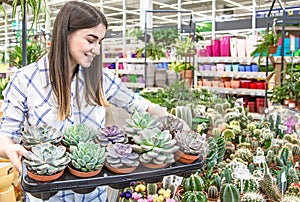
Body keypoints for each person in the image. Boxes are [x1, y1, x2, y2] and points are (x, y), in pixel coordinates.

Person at [0, 1, 172, 201]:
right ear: (65, 34)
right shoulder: (25, 80)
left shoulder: (101, 79)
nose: (96, 50)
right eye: (91, 40)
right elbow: (5, 136)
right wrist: (10, 148)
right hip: (47, 195)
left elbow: (140, 105)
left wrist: (173, 120)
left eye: (100, 42)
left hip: (93, 194)